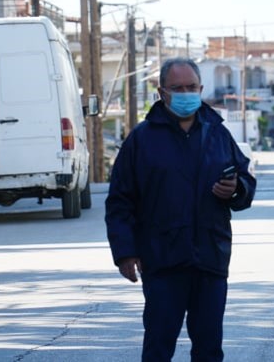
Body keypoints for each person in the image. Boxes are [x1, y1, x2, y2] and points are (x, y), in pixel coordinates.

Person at [105, 57, 256, 361]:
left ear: (200, 89)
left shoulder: (217, 133)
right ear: (162, 92)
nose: (186, 93)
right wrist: (125, 253)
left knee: (209, 349)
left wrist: (236, 188)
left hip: (210, 259)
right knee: (158, 348)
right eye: (178, 88)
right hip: (162, 261)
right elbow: (120, 200)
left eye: (191, 87)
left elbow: (245, 182)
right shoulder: (142, 139)